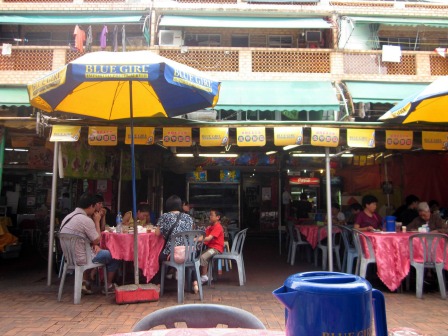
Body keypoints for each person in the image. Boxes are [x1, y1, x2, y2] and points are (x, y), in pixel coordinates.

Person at [59, 193, 120, 294]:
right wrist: (97, 221)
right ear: (91, 206)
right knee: (115, 256)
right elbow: (97, 240)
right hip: (83, 258)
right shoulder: (85, 220)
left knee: (97, 251)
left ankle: (85, 282)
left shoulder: (68, 217)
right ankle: (108, 285)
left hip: (69, 258)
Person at [153, 195, 193, 283]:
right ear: (180, 205)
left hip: (171, 254)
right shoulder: (188, 218)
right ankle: (193, 282)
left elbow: (157, 233)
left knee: (156, 256)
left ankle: (158, 283)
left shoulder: (165, 216)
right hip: (188, 253)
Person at [192, 208, 225, 294]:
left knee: (203, 257)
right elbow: (204, 235)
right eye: (210, 215)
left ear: (218, 217)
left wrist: (195, 239)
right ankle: (203, 276)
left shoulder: (218, 227)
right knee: (198, 256)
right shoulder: (210, 227)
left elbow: (209, 238)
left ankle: (204, 277)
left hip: (216, 249)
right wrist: (196, 237)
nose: (210, 216)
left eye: (212, 215)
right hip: (210, 248)